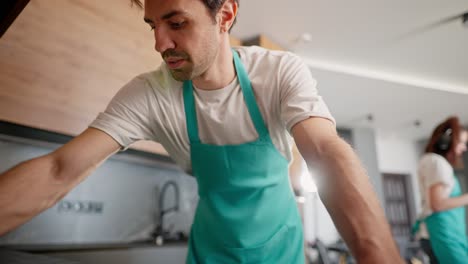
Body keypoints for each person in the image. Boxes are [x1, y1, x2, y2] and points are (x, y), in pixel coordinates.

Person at [0, 0, 403, 263]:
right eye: (152, 25)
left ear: (225, 15)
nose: (160, 43)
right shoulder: (150, 94)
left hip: (282, 253)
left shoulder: (278, 73)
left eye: (176, 22)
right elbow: (58, 170)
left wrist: (375, 253)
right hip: (210, 253)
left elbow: (325, 152)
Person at [413, 116, 468, 264]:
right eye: (462, 142)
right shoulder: (437, 163)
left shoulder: (433, 162)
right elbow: (437, 204)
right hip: (442, 235)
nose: (464, 148)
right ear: (447, 142)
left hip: (444, 234)